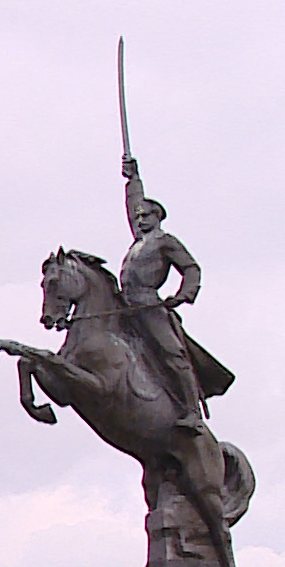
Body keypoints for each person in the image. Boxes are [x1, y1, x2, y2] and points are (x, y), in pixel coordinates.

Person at [120, 155, 206, 431]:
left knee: (173, 354)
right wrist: (133, 179)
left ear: (158, 218)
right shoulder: (139, 242)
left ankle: (192, 411)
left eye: (146, 215)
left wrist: (183, 295)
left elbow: (191, 268)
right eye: (139, 216)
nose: (140, 218)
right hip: (124, 304)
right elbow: (133, 202)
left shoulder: (164, 241)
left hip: (148, 304)